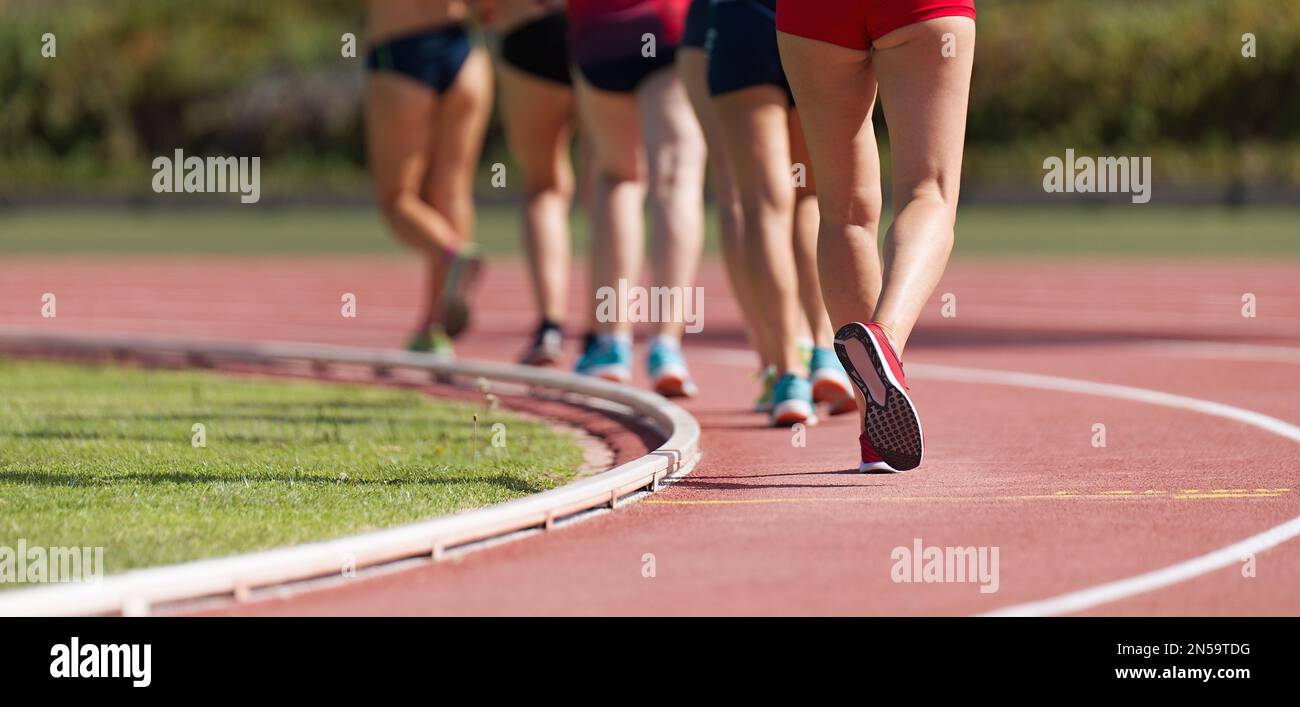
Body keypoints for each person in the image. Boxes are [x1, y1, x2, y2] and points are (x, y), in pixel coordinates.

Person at [777, 1, 977, 468]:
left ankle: (875, 432)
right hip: (919, 11)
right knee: (929, 192)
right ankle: (884, 337)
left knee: (843, 211)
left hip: (813, 17)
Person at [706, 0, 855, 426]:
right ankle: (826, 354)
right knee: (808, 194)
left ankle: (789, 375)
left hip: (741, 21)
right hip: (815, 19)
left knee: (763, 206)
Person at [567, 0, 707, 397]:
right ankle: (665, 346)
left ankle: (612, 344)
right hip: (666, 25)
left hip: (597, 30)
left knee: (619, 178)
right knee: (675, 180)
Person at [364, 0, 493, 355]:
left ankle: (451, 252)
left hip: (401, 51)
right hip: (463, 51)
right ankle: (433, 329)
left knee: (397, 198)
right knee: (452, 190)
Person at [489, 0, 583, 366]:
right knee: (612, 181)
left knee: (543, 186)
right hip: (601, 24)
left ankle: (550, 327)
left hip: (529, 26)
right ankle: (606, 335)